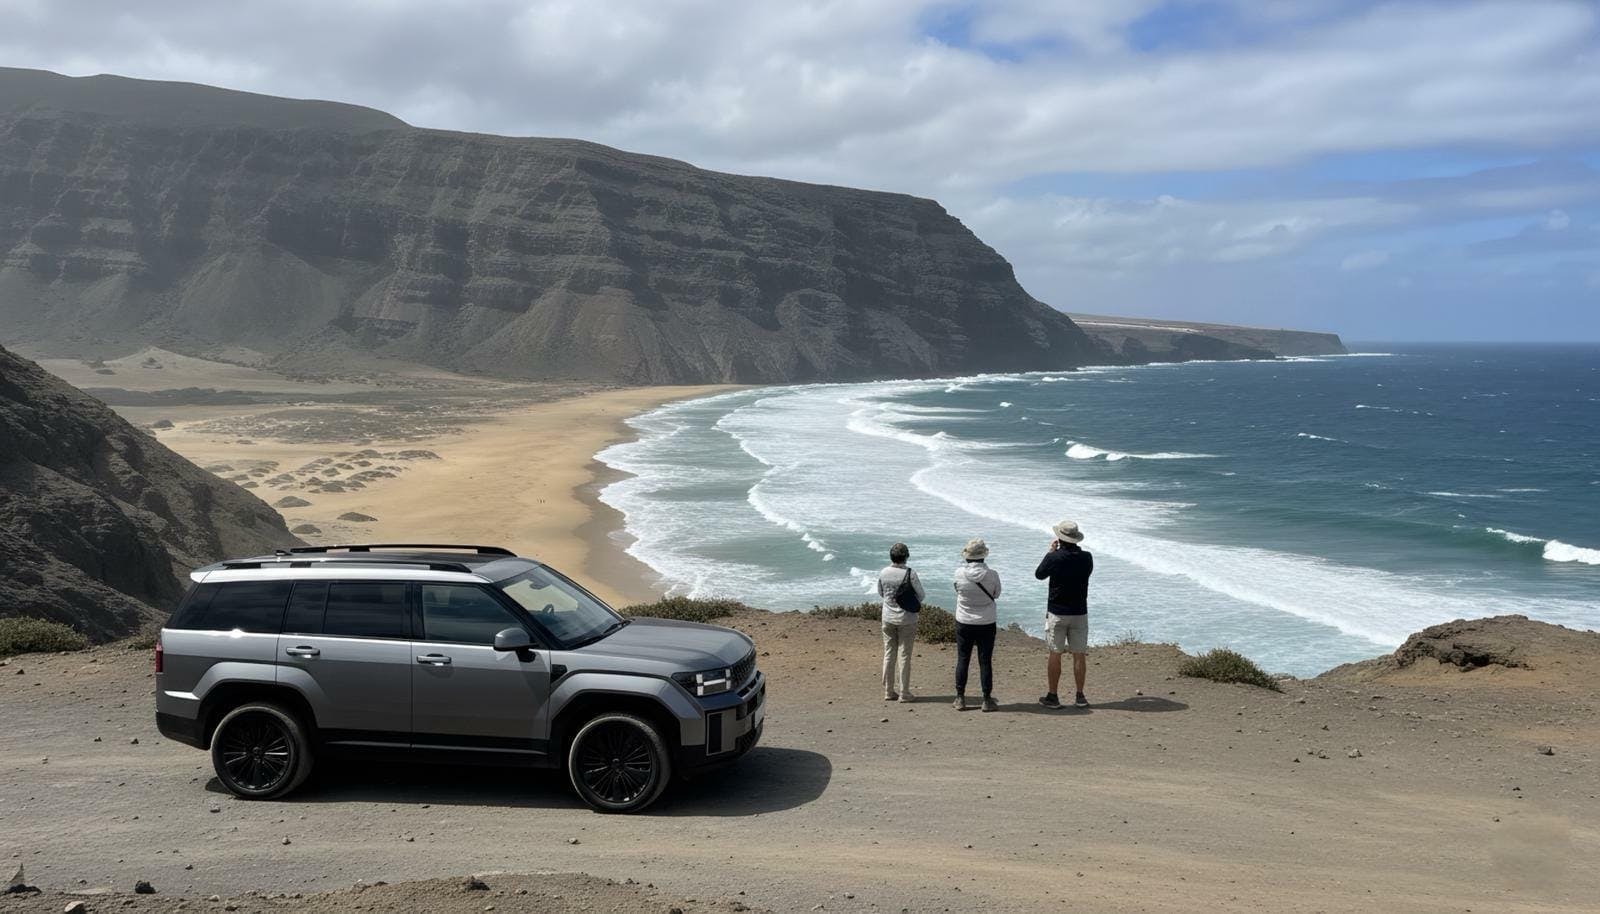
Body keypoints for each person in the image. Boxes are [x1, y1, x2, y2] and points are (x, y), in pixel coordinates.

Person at [1035, 520, 1093, 709]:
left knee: (1055, 653)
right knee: (1079, 654)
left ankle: (1053, 696)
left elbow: (1039, 574)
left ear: (1060, 539)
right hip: (1079, 611)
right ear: (1076, 539)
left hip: (1057, 612)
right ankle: (1080, 696)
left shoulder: (1055, 558)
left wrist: (1051, 552)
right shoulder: (1087, 558)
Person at [951, 538, 1002, 712]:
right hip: (986, 621)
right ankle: (987, 700)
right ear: (983, 556)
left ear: (967, 557)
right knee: (985, 661)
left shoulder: (959, 573)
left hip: (964, 621)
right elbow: (997, 594)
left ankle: (960, 698)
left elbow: (957, 589)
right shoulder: (992, 574)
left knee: (963, 659)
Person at [877, 542, 924, 702]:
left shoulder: (884, 572)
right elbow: (921, 595)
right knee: (904, 655)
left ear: (891, 556)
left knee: (889, 653)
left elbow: (881, 593)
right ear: (906, 557)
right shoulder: (910, 573)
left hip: (888, 618)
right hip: (907, 619)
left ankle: (888, 691)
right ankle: (904, 692)